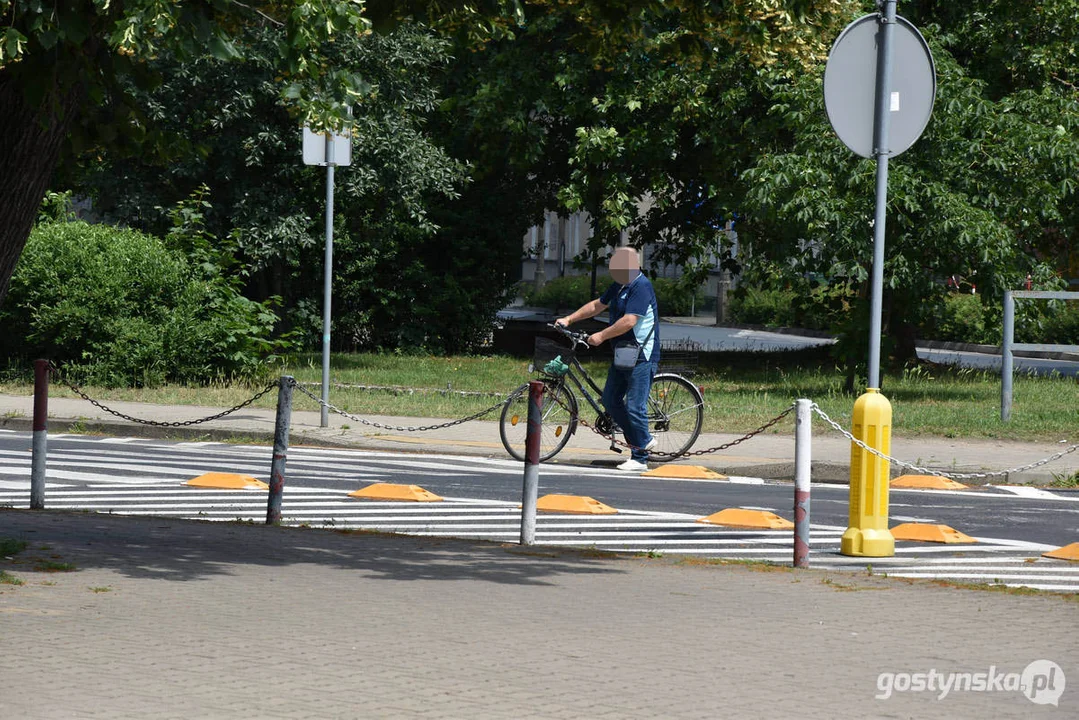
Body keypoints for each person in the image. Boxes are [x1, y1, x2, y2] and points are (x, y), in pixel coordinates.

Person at [556, 247, 660, 472]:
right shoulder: (621, 285)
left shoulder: (641, 286)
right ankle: (641, 442)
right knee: (611, 400)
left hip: (642, 355)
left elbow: (630, 320)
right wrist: (569, 319)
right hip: (624, 352)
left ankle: (641, 453)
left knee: (634, 406)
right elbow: (597, 305)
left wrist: (601, 336)